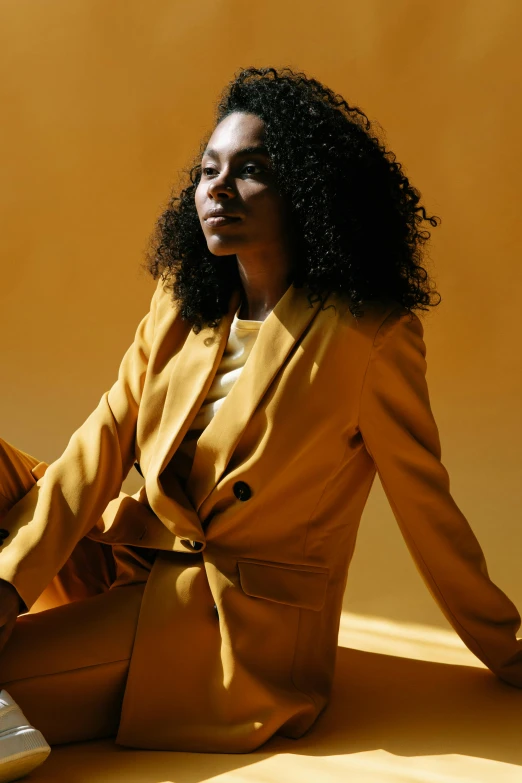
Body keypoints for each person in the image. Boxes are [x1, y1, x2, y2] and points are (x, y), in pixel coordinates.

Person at [0, 66, 521, 781]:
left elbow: (427, 508)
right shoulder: (183, 301)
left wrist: (509, 647)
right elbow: (103, 441)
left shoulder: (365, 336)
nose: (218, 188)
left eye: (250, 172)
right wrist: (9, 583)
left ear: (306, 191)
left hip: (224, 625)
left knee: (15, 669)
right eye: (209, 170)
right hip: (133, 563)